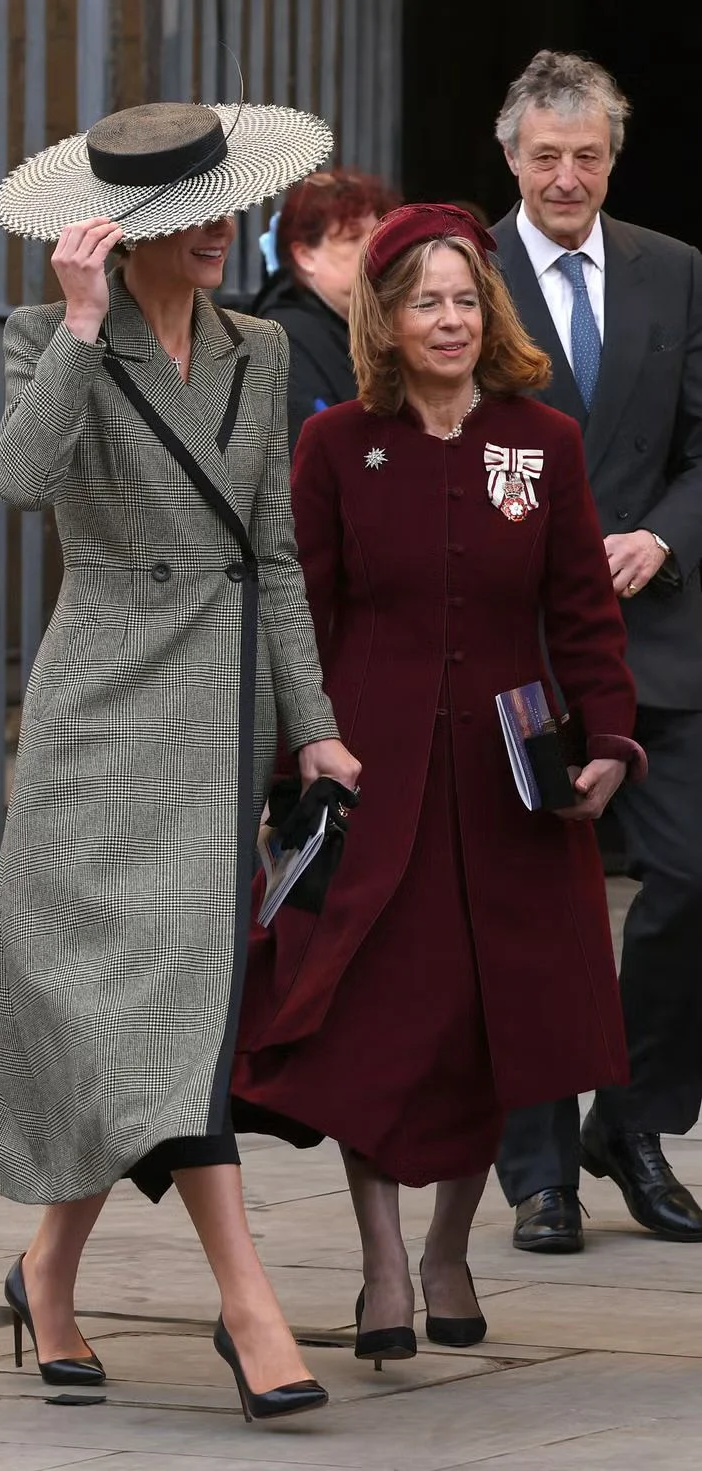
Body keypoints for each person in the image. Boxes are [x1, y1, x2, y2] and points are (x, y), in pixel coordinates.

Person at [0, 99, 361, 1423]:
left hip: (215, 715)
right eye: (193, 219)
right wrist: (73, 326)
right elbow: (20, 481)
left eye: (223, 207)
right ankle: (227, 1302)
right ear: (129, 232)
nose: (220, 233)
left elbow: (276, 552)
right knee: (118, 1012)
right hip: (101, 713)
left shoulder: (257, 349)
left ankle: (75, 1272)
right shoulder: (45, 334)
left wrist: (315, 722)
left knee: (169, 1012)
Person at [231, 203, 645, 1364]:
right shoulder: (331, 446)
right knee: (374, 1025)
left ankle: (449, 1248)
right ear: (386, 318)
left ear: (488, 311)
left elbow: (579, 608)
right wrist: (289, 766)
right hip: (374, 771)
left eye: (464, 298)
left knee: (481, 1028)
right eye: (424, 299)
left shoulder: (541, 441)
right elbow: (299, 616)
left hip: (510, 784)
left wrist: (607, 738)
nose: (448, 318)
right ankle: (376, 1263)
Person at [491, 50, 702, 1254]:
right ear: (509, 159)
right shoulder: (455, 272)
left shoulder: (674, 272)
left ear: (610, 160)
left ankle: (627, 1123)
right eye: (544, 156)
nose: (565, 175)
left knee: (687, 879)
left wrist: (661, 541)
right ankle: (536, 1170)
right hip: (515, 639)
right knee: (530, 906)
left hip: (658, 633)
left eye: (586, 156)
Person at [251, 167, 402, 451]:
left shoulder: (372, 322)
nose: (374, 249)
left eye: (378, 235)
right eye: (352, 238)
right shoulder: (284, 338)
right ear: (305, 256)